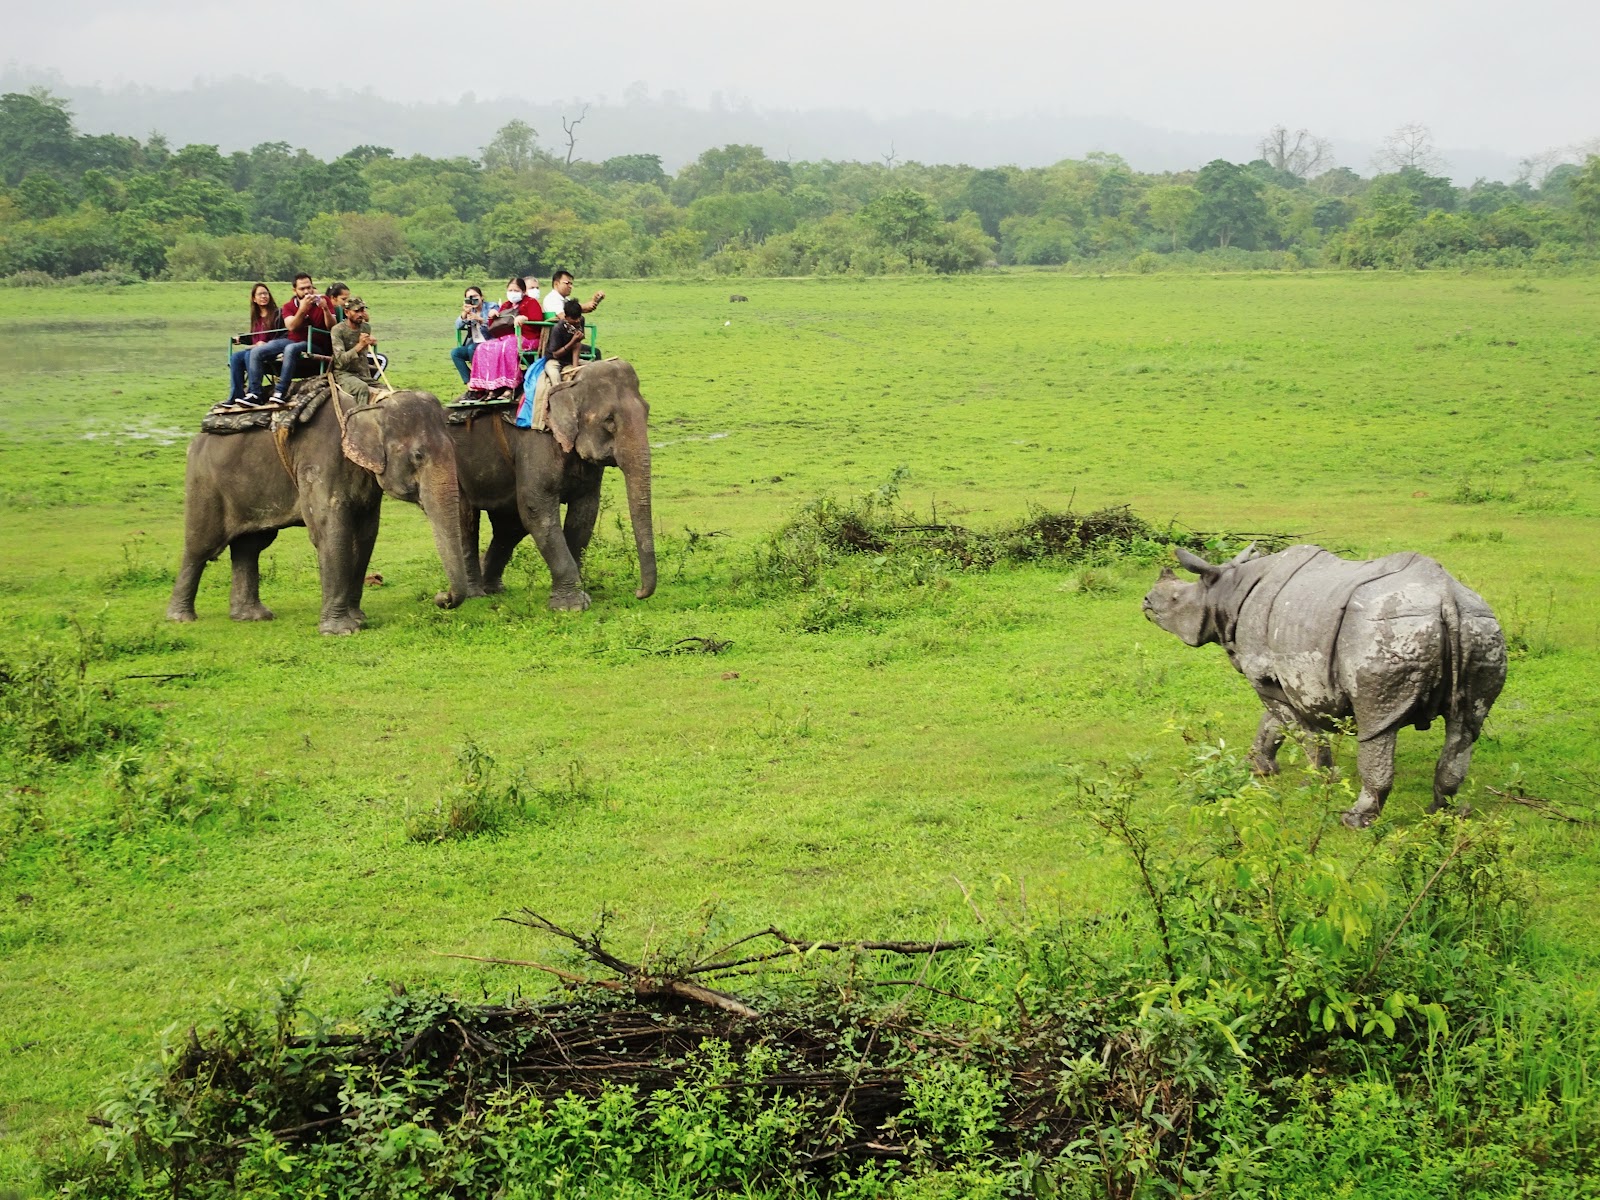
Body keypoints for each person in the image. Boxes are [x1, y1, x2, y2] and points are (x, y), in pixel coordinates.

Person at [463, 276, 540, 402]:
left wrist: (525, 318)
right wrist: (492, 317)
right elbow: (495, 326)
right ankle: (490, 386)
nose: (512, 293)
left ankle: (510, 386)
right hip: (508, 337)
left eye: (516, 290)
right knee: (484, 347)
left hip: (527, 337)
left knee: (508, 346)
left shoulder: (531, 302)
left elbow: (538, 320)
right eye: (510, 290)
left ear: (523, 291)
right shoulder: (506, 305)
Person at [222, 283, 281, 409]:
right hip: (256, 348)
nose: (264, 296)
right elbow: (255, 336)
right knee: (236, 357)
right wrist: (242, 339)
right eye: (260, 294)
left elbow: (282, 335)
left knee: (249, 354)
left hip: (270, 349)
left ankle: (255, 393)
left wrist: (267, 344)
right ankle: (236, 395)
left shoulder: (277, 314)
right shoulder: (256, 317)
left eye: (266, 293)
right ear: (254, 298)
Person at [330, 297, 379, 404]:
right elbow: (340, 361)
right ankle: (361, 416)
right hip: (344, 374)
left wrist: (371, 342)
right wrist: (360, 345)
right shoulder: (338, 330)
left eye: (362, 310)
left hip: (363, 374)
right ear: (347, 312)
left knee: (386, 390)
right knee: (362, 388)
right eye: (356, 311)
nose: (360, 314)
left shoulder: (366, 328)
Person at [451, 285, 494, 384]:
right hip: (475, 342)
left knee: (472, 349)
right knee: (455, 353)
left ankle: (478, 378)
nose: (473, 300)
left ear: (481, 297)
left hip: (490, 342)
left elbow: (496, 325)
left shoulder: (491, 307)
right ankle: (469, 382)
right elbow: (458, 326)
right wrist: (464, 314)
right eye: (469, 298)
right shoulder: (470, 310)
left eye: (475, 297)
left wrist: (480, 319)